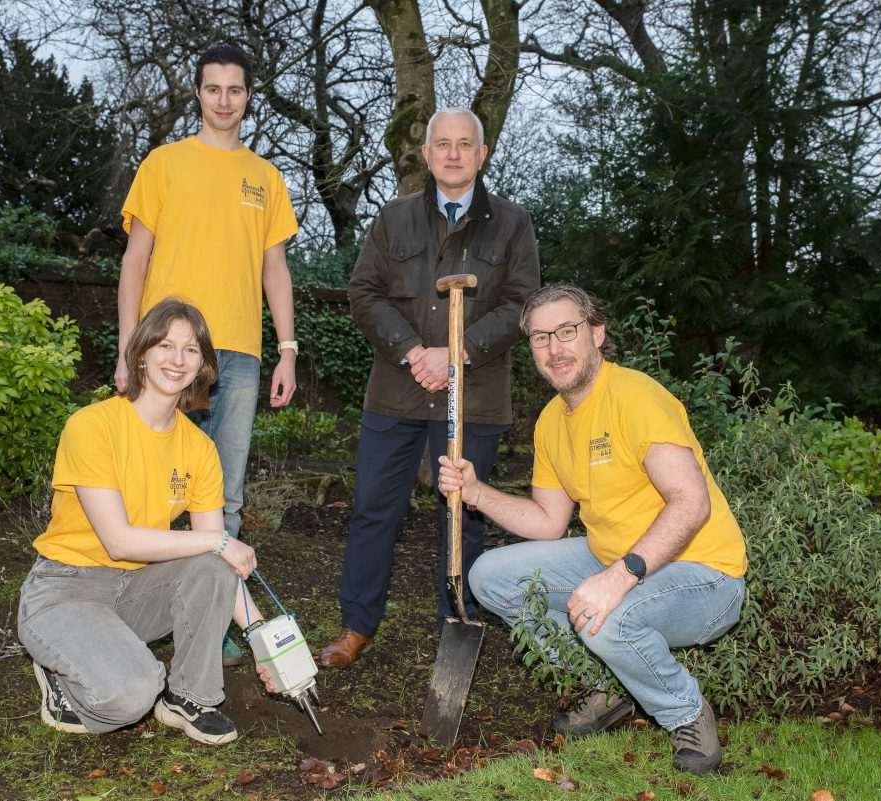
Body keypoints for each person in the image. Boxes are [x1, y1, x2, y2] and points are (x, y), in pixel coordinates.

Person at [436, 284, 748, 775]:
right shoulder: (551, 422)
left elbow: (691, 503)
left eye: (566, 331)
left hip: (705, 576)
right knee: (489, 576)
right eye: (540, 338)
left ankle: (687, 714)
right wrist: (476, 493)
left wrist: (618, 577)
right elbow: (547, 522)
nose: (554, 348)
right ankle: (607, 685)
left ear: (597, 334)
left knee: (608, 615)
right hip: (615, 558)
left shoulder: (637, 397)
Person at [319, 108, 540, 668]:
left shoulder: (512, 224)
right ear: (426, 154)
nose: (453, 154)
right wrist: (414, 351)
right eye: (442, 144)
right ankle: (356, 625)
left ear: (482, 153)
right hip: (396, 391)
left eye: (465, 144)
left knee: (462, 511)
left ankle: (457, 620)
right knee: (374, 510)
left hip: (475, 399)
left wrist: (458, 352)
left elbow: (522, 306)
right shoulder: (393, 220)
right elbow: (363, 293)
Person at [18, 299, 274, 745]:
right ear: (141, 354)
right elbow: (119, 541)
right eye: (166, 346)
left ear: (203, 365)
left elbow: (217, 558)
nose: (178, 360)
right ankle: (62, 680)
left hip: (135, 591)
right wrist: (215, 541)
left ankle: (190, 697)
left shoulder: (198, 449)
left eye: (191, 350)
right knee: (131, 696)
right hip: (67, 589)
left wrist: (267, 641)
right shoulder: (92, 426)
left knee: (212, 563)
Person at [117, 42, 299, 664]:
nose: (225, 100)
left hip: (241, 356)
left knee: (224, 495)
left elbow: (275, 270)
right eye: (214, 88)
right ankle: (139, 607)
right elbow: (134, 261)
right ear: (198, 93)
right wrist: (127, 350)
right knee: (152, 490)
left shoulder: (266, 178)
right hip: (167, 354)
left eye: (236, 90)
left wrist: (289, 350)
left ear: (249, 97)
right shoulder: (164, 164)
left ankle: (214, 615)